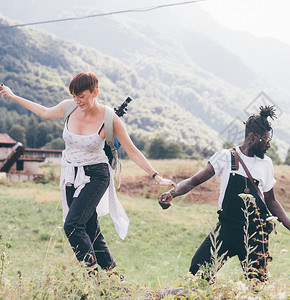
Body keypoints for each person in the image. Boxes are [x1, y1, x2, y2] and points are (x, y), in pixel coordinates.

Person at [0, 73, 174, 279]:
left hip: (96, 175)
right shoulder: (69, 107)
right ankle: (116, 281)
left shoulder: (110, 118)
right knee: (91, 229)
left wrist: (156, 176)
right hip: (71, 175)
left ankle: (93, 281)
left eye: (81, 96)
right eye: (74, 96)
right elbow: (44, 112)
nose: (77, 101)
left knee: (72, 226)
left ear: (95, 92)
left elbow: (133, 150)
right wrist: (13, 96)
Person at [158, 106, 290, 282]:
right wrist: (172, 192)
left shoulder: (266, 163)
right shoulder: (226, 157)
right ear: (253, 137)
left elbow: (271, 201)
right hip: (227, 228)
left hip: (256, 232)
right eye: (266, 140)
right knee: (198, 272)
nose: (268, 144)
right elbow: (193, 181)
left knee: (257, 284)